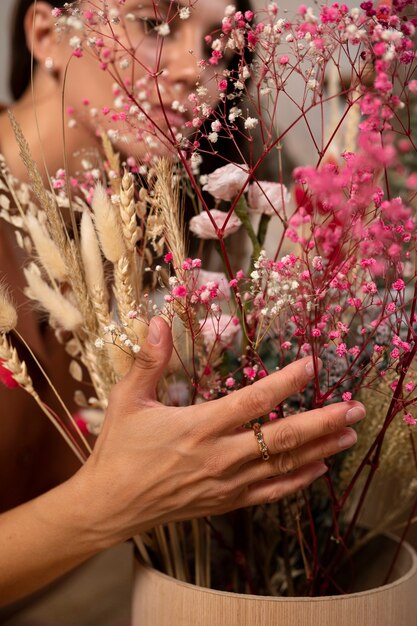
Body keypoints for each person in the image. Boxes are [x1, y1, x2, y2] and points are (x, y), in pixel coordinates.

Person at [0, 0, 366, 607]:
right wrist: (114, 502)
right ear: (47, 33)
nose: (196, 67)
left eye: (219, 42)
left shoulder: (159, 237)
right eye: (155, 23)